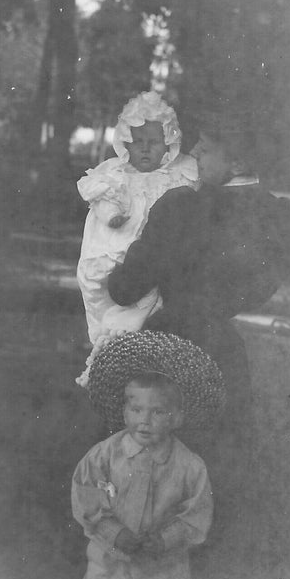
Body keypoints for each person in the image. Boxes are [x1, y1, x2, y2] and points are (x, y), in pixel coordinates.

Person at [107, 111, 290, 579]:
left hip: (171, 346)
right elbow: (256, 284)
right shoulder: (277, 216)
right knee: (219, 458)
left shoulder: (183, 210)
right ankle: (208, 567)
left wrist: (122, 254)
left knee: (152, 452)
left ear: (236, 158)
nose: (193, 153)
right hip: (223, 349)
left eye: (206, 146)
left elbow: (124, 286)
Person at [71, 330, 225, 579]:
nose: (145, 421)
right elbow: (87, 496)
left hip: (163, 574)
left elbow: (197, 514)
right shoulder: (104, 455)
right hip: (109, 570)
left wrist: (165, 540)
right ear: (123, 412)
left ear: (176, 418)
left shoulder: (190, 466)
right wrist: (114, 532)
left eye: (158, 412)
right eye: (136, 410)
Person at [76, 91, 199, 381]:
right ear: (125, 141)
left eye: (154, 143)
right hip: (114, 247)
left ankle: (134, 359)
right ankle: (108, 356)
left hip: (150, 254)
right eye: (138, 142)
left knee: (146, 310)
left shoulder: (178, 174)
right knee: (107, 300)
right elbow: (102, 201)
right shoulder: (115, 173)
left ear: (168, 142)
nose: (145, 149)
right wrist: (112, 213)